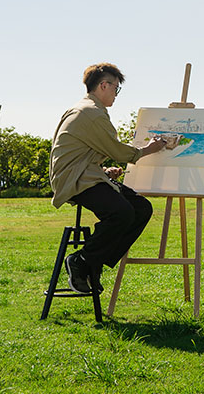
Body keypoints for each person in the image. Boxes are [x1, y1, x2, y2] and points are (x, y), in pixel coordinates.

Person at [49, 63, 168, 294]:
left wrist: (102, 171)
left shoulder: (88, 110)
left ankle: (92, 262)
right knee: (121, 213)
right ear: (103, 85)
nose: (116, 93)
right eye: (116, 87)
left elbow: (82, 152)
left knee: (141, 208)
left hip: (87, 174)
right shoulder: (91, 113)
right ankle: (81, 261)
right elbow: (119, 151)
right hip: (75, 178)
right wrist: (149, 149)